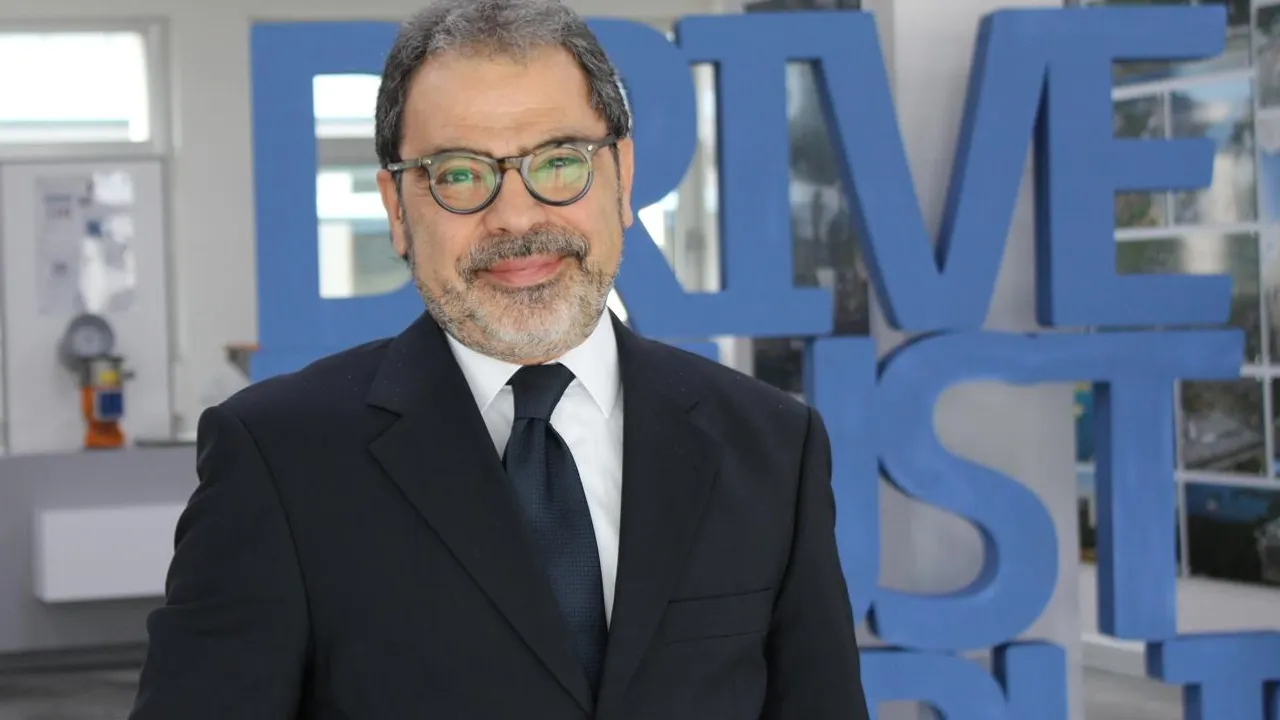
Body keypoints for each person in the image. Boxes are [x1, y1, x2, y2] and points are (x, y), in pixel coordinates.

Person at [129, 0, 869, 717]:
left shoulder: (773, 446)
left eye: (560, 162)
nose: (515, 216)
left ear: (623, 177)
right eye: (458, 173)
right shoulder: (277, 457)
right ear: (396, 209)